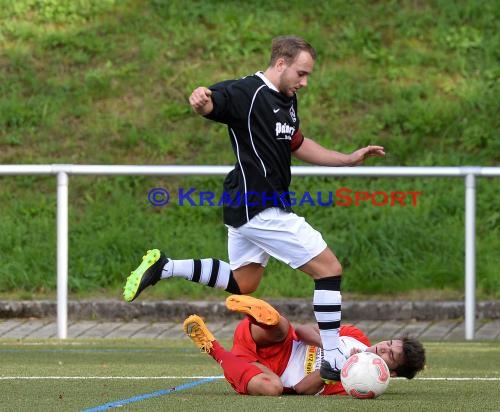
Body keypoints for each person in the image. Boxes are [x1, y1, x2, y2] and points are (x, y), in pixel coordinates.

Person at [123, 35, 385, 382]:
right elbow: (212, 104)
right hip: (258, 203)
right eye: (301, 73)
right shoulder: (249, 93)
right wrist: (201, 99)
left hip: (245, 203)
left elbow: (297, 143)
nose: (304, 82)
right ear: (281, 64)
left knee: (243, 282)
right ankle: (334, 358)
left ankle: (166, 267)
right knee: (329, 269)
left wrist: (347, 159)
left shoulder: (287, 99)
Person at [183, 295, 426, 396]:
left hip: (262, 371)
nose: (383, 348)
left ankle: (212, 347)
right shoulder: (355, 336)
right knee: (284, 328)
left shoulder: (361, 384)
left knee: (274, 390)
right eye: (389, 343)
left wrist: (334, 367)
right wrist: (330, 347)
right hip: (271, 341)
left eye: (391, 355)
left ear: (391, 373)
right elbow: (302, 331)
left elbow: (299, 390)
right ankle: (259, 315)